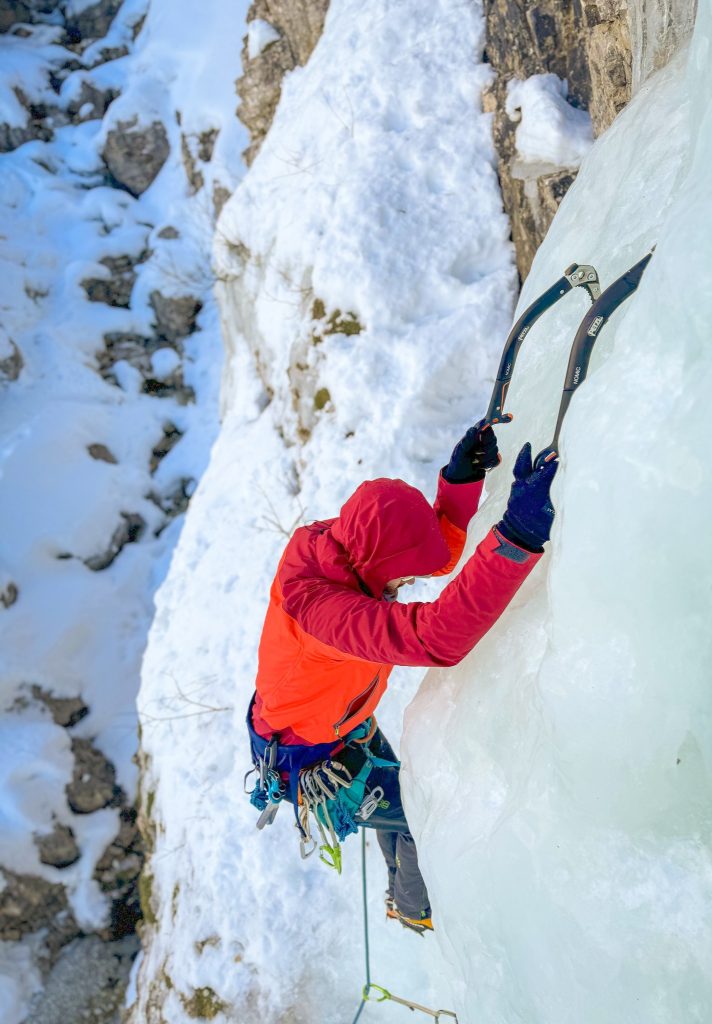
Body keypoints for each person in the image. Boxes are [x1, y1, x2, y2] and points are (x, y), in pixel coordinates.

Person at [247, 424, 558, 933]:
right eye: (401, 580)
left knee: (398, 798)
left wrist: (458, 488)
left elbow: (409, 551)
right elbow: (437, 638)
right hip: (307, 759)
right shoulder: (322, 613)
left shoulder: (333, 543)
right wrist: (516, 541)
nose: (405, 587)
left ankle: (401, 888)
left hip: (333, 723)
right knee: (418, 811)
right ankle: (415, 909)